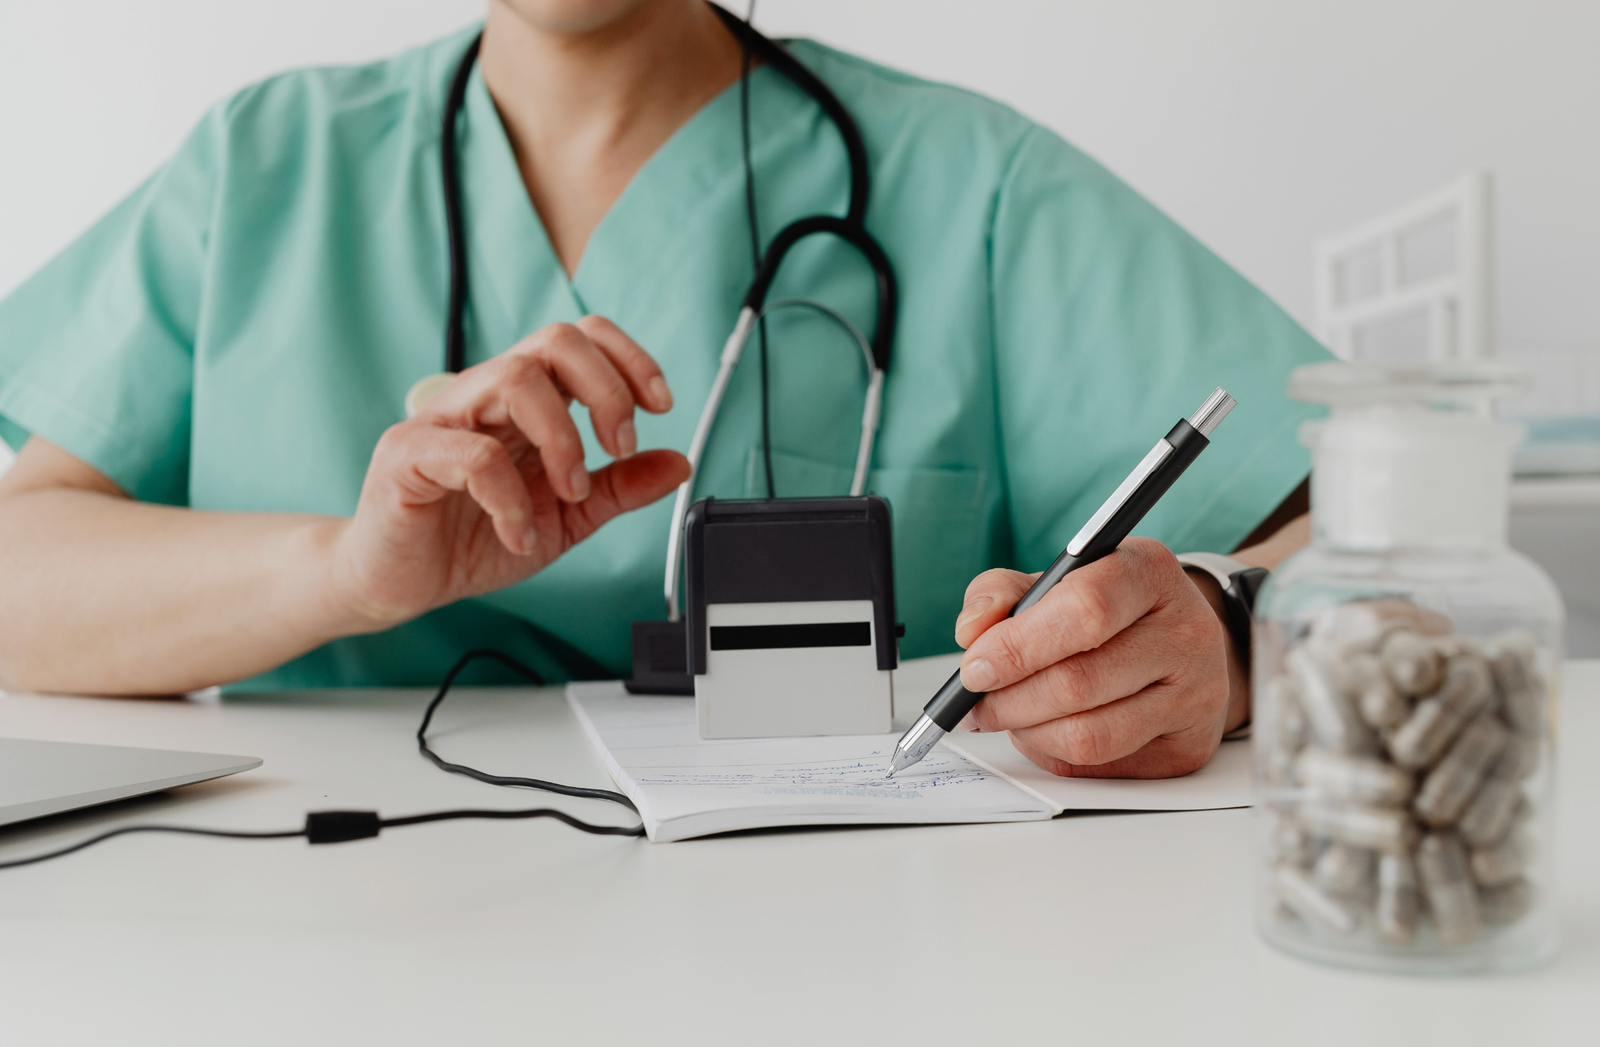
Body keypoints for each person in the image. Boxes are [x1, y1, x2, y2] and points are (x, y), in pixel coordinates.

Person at [0, 0, 1318, 779]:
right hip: (338, 943)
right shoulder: (263, 170)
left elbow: (1376, 506)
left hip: (855, 946)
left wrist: (1229, 626)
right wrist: (347, 576)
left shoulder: (972, 183)